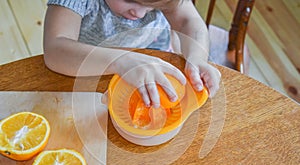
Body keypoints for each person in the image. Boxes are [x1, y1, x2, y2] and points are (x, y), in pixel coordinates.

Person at [43, 0, 221, 108]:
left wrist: (197, 57)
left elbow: (187, 21)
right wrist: (120, 61)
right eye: (130, 0)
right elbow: (55, 49)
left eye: (152, 6)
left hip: (155, 59)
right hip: (90, 67)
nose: (139, 13)